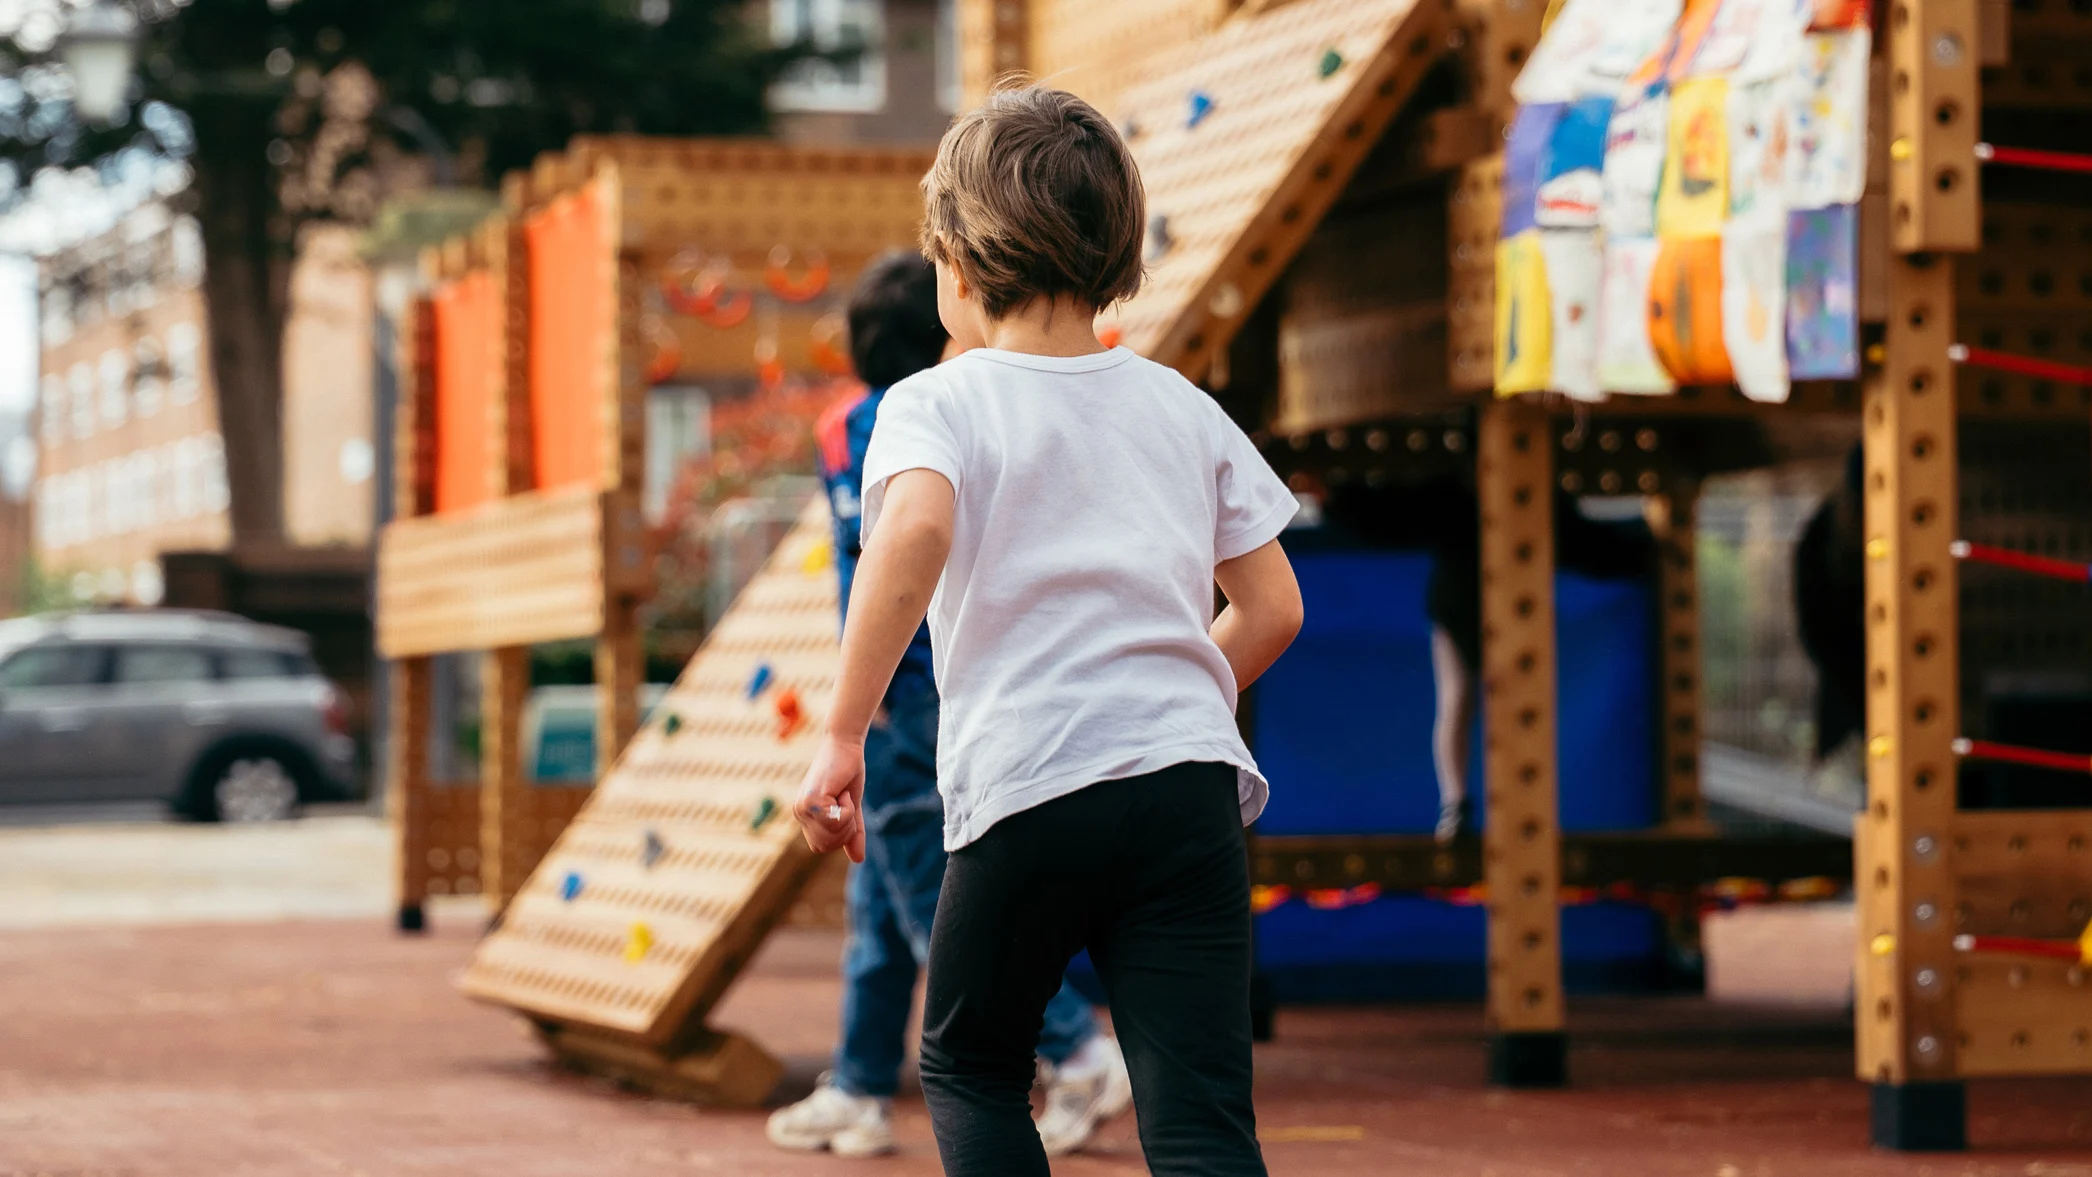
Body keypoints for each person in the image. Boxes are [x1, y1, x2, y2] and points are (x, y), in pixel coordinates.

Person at [792, 86, 1303, 1177]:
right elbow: (1274, 607)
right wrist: (1165, 696)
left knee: (974, 1064)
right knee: (1202, 1116)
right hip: (1186, 785)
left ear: (958, 261)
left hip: (1031, 779)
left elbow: (914, 529)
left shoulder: (936, 402)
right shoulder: (1181, 406)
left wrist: (841, 731)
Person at [766, 250, 1132, 1161]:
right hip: (948, 680)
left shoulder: (845, 428)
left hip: (894, 697)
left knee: (921, 894)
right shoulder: (953, 406)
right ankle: (859, 1084)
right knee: (890, 899)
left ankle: (1075, 1045)